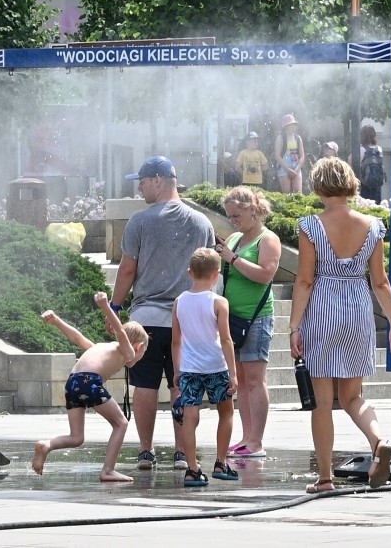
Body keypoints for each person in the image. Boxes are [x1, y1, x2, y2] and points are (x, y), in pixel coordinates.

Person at [288, 157, 391, 493]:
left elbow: (306, 280)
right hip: (357, 307)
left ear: (318, 185)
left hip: (323, 308)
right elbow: (381, 282)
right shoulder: (372, 225)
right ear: (350, 183)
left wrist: (294, 326)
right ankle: (378, 440)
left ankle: (325, 479)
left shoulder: (311, 225)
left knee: (322, 402)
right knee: (353, 396)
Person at [110, 155, 216, 472]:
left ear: (158, 180)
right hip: (188, 320)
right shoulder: (203, 223)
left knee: (144, 385)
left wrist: (115, 307)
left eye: (142, 182)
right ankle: (182, 452)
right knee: (180, 384)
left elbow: (128, 270)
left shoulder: (140, 221)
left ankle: (146, 451)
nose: (139, 188)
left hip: (147, 321)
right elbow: (212, 275)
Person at [32, 292, 149, 482]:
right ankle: (108, 470)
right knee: (121, 423)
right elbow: (120, 332)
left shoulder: (100, 347)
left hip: (72, 383)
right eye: (144, 352)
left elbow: (77, 338)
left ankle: (46, 445)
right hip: (89, 382)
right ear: (139, 346)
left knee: (76, 437)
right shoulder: (127, 351)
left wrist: (57, 321)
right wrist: (106, 307)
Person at [216, 186, 282, 457]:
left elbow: (265, 274)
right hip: (232, 318)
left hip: (256, 316)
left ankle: (257, 440)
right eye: (230, 216)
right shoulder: (234, 238)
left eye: (237, 214)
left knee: (255, 379)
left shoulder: (268, 239)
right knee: (240, 380)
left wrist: (232, 258)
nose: (233, 220)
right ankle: (246, 438)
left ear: (253, 210)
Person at [171, 247, 239, 486]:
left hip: (190, 368)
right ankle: (221, 462)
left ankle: (192, 469)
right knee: (226, 412)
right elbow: (227, 339)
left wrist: (177, 370)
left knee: (189, 418)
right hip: (216, 366)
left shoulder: (179, 302)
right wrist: (233, 372)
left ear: (190, 273)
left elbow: (176, 340)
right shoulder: (219, 302)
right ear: (216, 274)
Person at [348, 125, 384, 204]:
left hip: (363, 185)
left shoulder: (359, 150)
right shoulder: (379, 149)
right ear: (374, 135)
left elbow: (350, 163)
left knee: (364, 206)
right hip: (376, 186)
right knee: (376, 207)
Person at [274, 113, 306, 194]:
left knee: (298, 193)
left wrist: (297, 169)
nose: (292, 127)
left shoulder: (298, 138)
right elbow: (277, 156)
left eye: (293, 125)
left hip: (296, 167)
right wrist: (288, 170)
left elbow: (302, 156)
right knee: (286, 193)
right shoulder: (280, 137)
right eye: (290, 125)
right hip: (284, 167)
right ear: (285, 127)